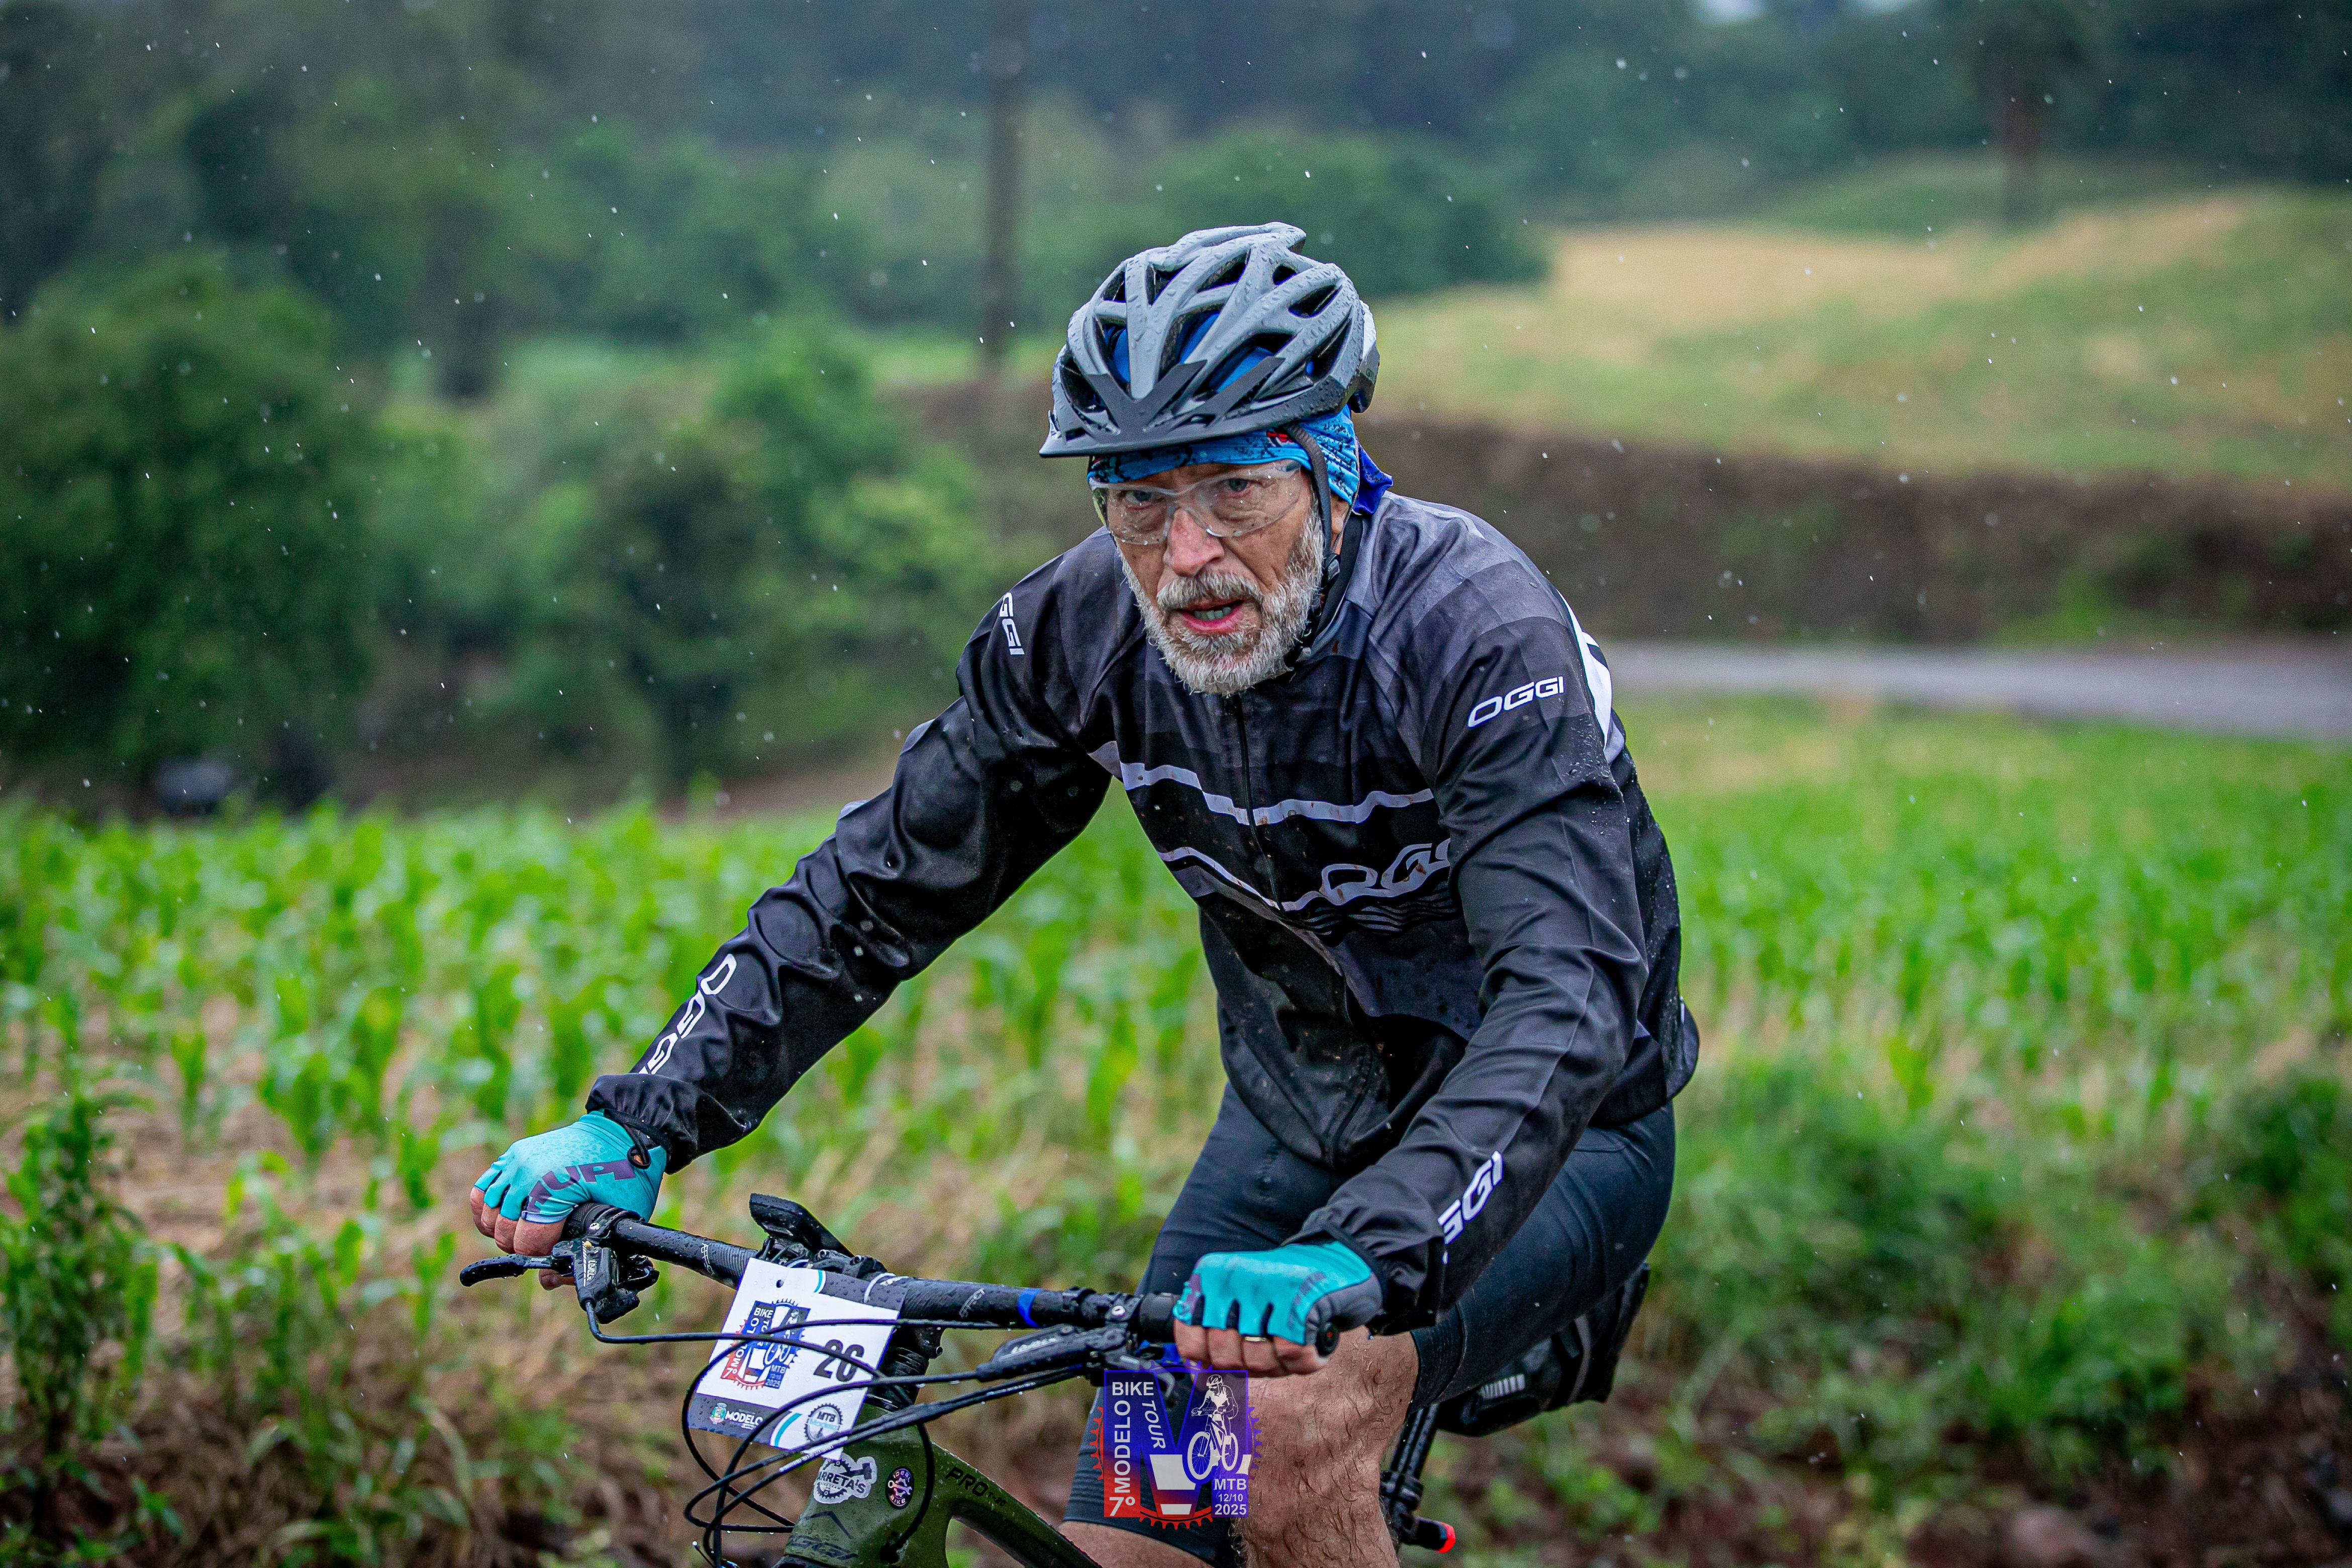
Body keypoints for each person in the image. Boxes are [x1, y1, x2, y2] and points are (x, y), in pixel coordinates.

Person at [470, 223, 1697, 1567]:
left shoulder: (1475, 633)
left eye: (1237, 491)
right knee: (1138, 1539)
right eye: (1137, 501)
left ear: (1336, 468)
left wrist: (1365, 1249)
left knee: (1289, 1426)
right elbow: (875, 890)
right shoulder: (1080, 631)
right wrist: (644, 1119)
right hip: (1297, 1121)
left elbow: (1568, 999)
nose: (1186, 556)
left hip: (1561, 1139)